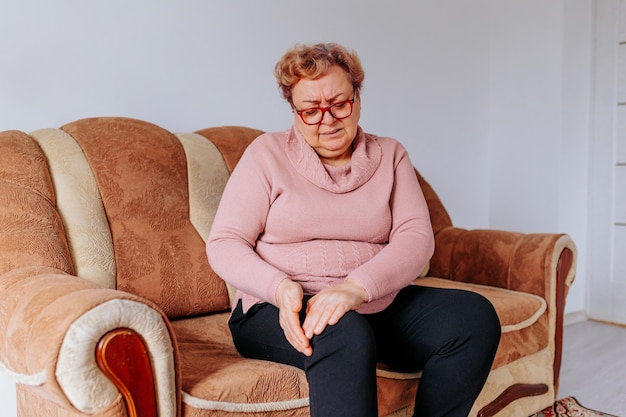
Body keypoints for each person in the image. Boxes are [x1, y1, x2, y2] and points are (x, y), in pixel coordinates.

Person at [206, 42, 501, 417]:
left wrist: (354, 288)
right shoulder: (266, 154)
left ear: (357, 97)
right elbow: (224, 243)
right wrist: (280, 288)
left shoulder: (390, 155)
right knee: (342, 332)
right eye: (311, 111)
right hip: (276, 307)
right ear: (294, 112)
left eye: (338, 104)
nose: (327, 120)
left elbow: (416, 238)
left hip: (370, 301)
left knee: (472, 318)